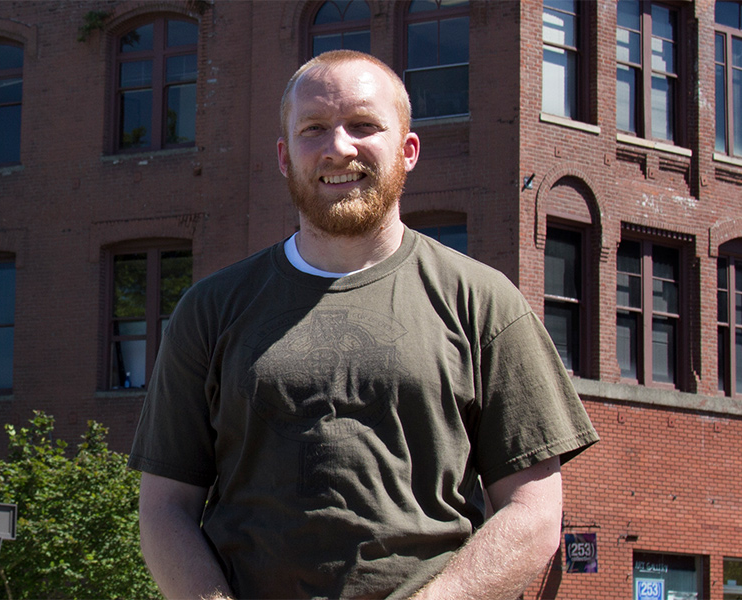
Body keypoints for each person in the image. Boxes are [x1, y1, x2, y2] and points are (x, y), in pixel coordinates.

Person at [129, 50, 599, 600]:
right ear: (284, 157)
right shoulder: (210, 309)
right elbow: (164, 510)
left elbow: (536, 512)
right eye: (314, 129)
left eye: (364, 125)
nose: (339, 147)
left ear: (408, 150)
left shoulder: (483, 302)